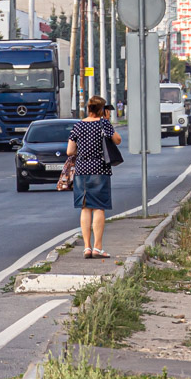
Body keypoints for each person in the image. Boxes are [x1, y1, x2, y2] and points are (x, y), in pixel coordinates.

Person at [68, 95, 121, 259]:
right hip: (100, 169)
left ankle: (87, 247)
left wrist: (83, 152)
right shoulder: (103, 124)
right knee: (99, 207)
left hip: (82, 170)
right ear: (102, 110)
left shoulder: (78, 126)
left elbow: (69, 151)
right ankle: (98, 247)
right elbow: (117, 140)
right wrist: (107, 122)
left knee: (85, 208)